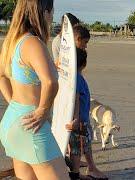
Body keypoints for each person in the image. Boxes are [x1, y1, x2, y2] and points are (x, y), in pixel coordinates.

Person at [0, 0, 69, 179]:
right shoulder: (33, 42)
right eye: (52, 11)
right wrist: (42, 111)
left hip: (13, 120)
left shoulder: (13, 40)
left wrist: (13, 102)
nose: (52, 16)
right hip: (32, 126)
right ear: (44, 12)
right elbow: (51, 83)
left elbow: (2, 75)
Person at [66, 48, 108, 179]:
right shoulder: (77, 78)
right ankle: (75, 175)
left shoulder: (72, 76)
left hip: (79, 119)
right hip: (79, 121)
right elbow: (76, 98)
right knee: (77, 149)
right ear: (84, 64)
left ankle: (86, 170)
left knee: (83, 145)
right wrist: (76, 119)